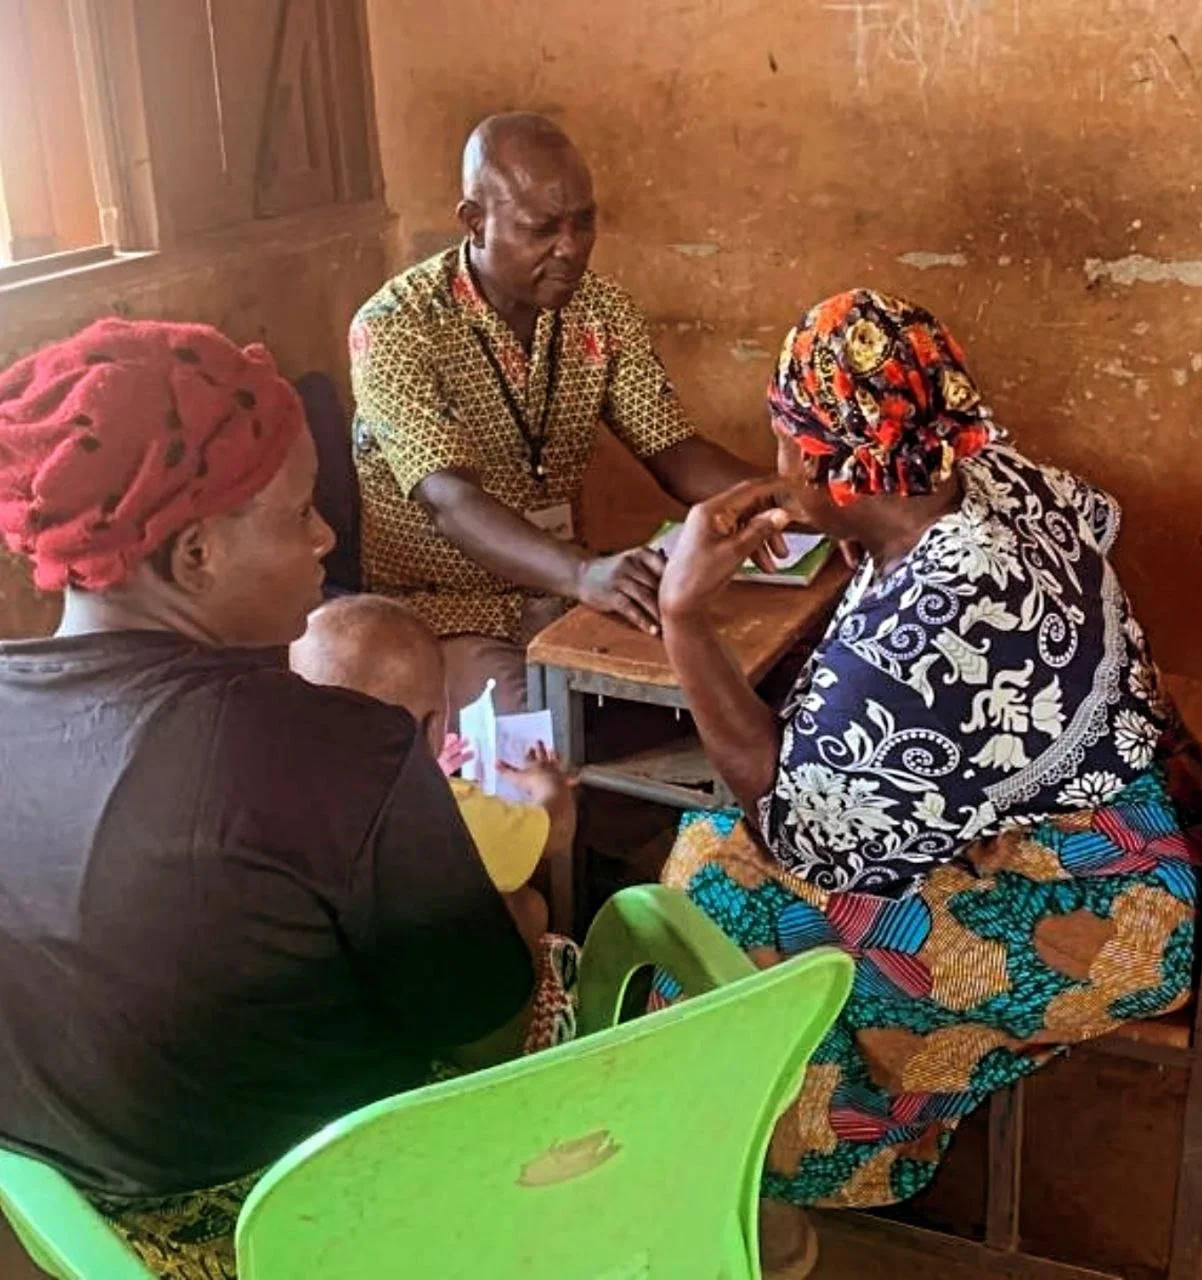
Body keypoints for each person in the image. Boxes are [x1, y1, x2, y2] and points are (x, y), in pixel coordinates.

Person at [651, 290, 1202, 1274]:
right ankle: (826, 1113)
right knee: (729, 866)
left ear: (823, 463)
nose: (772, 466)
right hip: (1155, 820)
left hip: (1117, 916)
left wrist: (684, 614)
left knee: (723, 897)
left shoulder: (908, 640)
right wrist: (862, 546)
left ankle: (778, 1164)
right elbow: (1093, 522)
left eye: (780, 440)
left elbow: (794, 831)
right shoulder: (985, 470)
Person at [0, 320, 549, 1279]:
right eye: (300, 514)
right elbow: (485, 1028)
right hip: (312, 1223)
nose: (327, 537)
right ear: (197, 556)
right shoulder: (338, 750)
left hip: (75, 1227)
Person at [350, 111, 769, 719]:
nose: (570, 248)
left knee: (728, 677)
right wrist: (582, 574)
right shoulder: (396, 327)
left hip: (568, 593)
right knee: (539, 743)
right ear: (474, 222)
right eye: (542, 227)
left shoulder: (599, 309)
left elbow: (674, 450)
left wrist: (787, 501)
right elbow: (449, 501)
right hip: (443, 613)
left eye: (584, 222)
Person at [290, 593, 577, 945]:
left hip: (326, 971)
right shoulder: (448, 810)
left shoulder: (277, 795)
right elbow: (556, 832)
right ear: (434, 725)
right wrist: (548, 784)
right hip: (414, 981)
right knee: (529, 906)